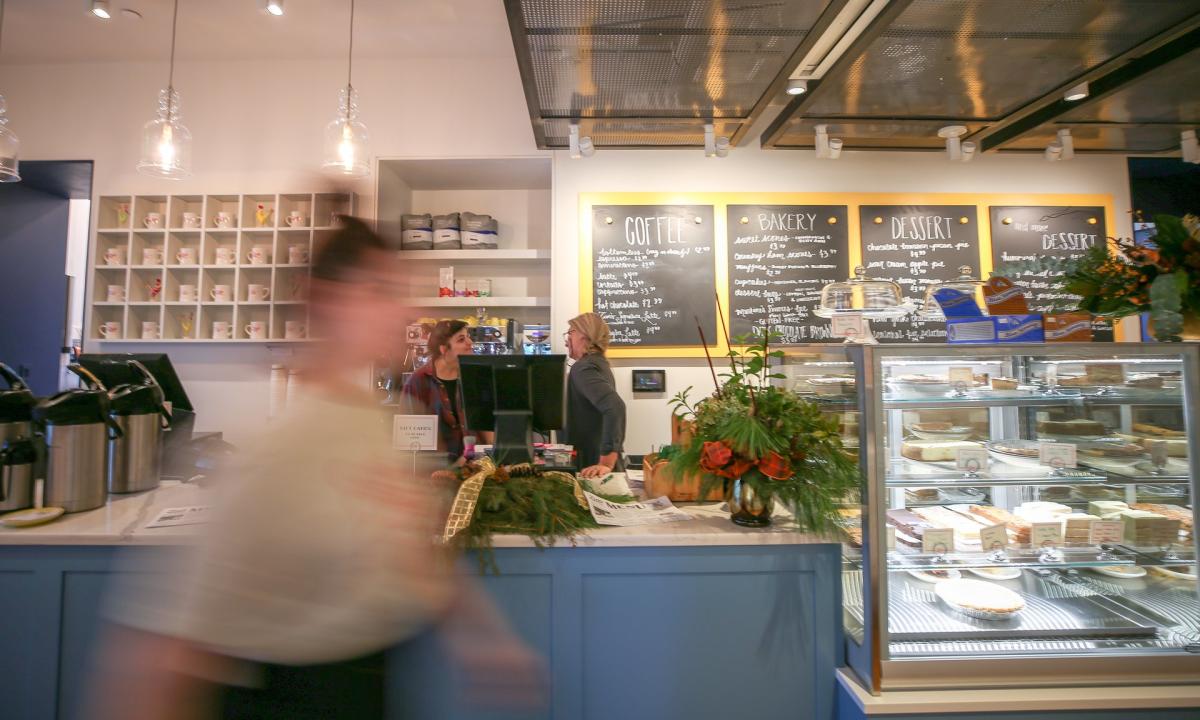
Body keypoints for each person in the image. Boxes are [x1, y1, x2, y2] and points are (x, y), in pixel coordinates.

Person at [88, 216, 541, 720]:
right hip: (297, 694)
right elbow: (169, 648)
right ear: (325, 301)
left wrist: (480, 637)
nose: (402, 310)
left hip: (371, 684)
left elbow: (407, 545)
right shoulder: (282, 446)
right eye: (379, 290)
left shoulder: (366, 420)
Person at [401, 319, 482, 464]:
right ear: (443, 349)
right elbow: (408, 439)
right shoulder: (417, 382)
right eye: (461, 339)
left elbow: (487, 425)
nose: (470, 342)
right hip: (434, 473)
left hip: (474, 468)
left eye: (468, 336)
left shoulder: (474, 378)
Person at [562, 312, 626, 478]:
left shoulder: (584, 368)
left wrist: (605, 462)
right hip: (597, 467)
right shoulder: (599, 363)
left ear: (584, 335)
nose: (567, 339)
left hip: (592, 468)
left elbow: (615, 406)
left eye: (570, 332)